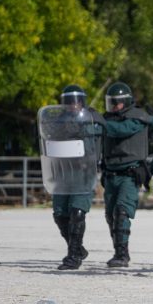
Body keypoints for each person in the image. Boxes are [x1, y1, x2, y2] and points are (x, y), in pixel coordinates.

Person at [42, 85, 105, 270]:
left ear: (82, 102)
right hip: (62, 174)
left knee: (77, 213)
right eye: (68, 101)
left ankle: (73, 256)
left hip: (83, 174)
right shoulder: (57, 122)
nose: (72, 105)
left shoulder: (92, 120)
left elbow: (98, 145)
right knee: (60, 215)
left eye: (76, 101)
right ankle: (77, 249)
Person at [101, 82, 152, 267]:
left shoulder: (137, 118)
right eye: (112, 102)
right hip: (110, 174)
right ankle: (118, 251)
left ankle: (122, 255)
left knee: (122, 212)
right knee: (110, 215)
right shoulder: (106, 120)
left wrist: (98, 122)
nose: (115, 106)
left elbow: (121, 130)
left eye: (118, 103)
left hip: (129, 174)